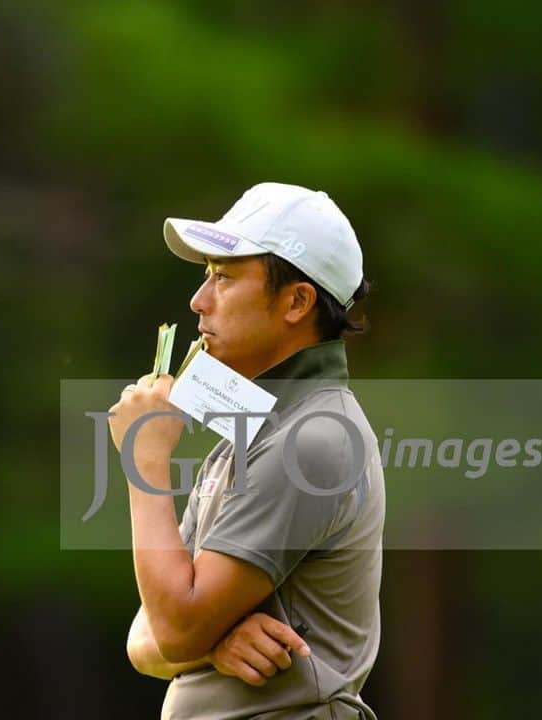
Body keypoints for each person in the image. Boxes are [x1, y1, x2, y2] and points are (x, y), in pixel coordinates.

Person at [108, 182, 384, 719]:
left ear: (298, 302)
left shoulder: (312, 441)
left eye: (224, 276)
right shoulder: (259, 435)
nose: (198, 300)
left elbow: (173, 628)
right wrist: (213, 641)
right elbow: (146, 638)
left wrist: (144, 459)